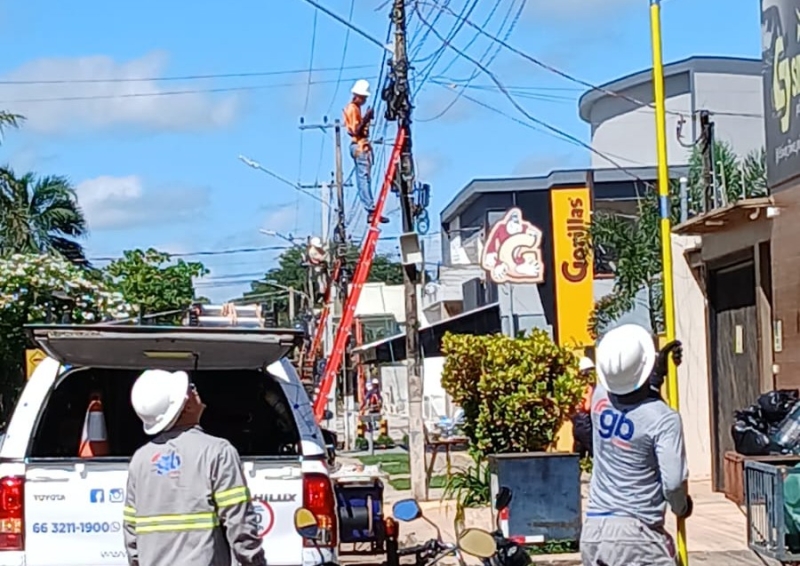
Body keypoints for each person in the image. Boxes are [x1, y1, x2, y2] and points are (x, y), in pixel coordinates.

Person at [124, 369, 266, 566]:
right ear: (187, 405)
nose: (195, 390)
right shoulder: (218, 451)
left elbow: (132, 533)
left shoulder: (140, 460)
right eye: (191, 388)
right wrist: (254, 561)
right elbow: (239, 521)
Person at [580, 324, 691, 566]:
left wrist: (655, 377)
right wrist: (682, 507)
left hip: (594, 532)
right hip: (636, 537)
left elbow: (631, 403)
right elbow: (673, 484)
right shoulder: (663, 419)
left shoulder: (599, 398)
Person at [343, 79, 388, 225]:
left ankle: (370, 208)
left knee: (365, 178)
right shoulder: (353, 109)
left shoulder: (355, 109)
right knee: (363, 179)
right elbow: (356, 130)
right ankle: (370, 209)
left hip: (360, 146)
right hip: (359, 146)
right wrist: (367, 117)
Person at [571, 357, 596, 459]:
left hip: (576, 421)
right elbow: (588, 406)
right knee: (593, 452)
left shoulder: (575, 386)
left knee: (578, 454)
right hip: (585, 421)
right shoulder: (588, 387)